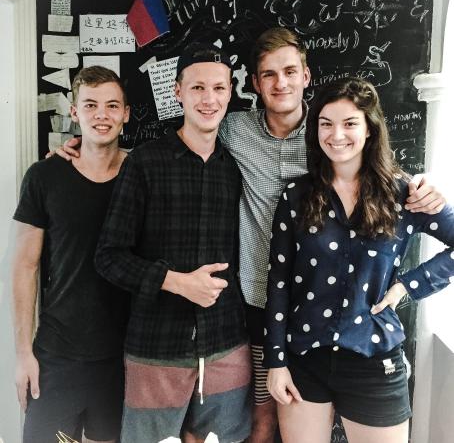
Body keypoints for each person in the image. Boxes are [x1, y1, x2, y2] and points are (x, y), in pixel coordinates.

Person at [56, 27, 445, 443]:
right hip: (254, 306)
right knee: (257, 420)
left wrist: (421, 190)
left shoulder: (326, 136)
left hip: (320, 311)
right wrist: (88, 149)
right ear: (254, 84)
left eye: (290, 72)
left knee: (265, 423)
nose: (281, 83)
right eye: (269, 74)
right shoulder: (231, 131)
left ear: (305, 76)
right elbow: (183, 144)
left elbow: (367, 162)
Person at [264, 77, 454, 443]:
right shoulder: (296, 196)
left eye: (349, 123)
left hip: (374, 357)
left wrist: (407, 286)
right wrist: (276, 361)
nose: (336, 135)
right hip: (305, 357)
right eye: (326, 124)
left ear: (369, 129)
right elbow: (279, 283)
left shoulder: (406, 194)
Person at [94, 43, 252, 443]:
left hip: (227, 345)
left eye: (218, 88)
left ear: (230, 93)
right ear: (177, 92)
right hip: (156, 348)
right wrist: (177, 282)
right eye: (197, 88)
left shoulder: (237, 167)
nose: (209, 99)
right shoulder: (144, 162)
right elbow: (109, 257)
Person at [12, 66, 131, 443]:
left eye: (112, 105)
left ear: (126, 114)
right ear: (74, 112)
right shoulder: (44, 176)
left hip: (121, 358)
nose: (102, 115)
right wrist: (22, 354)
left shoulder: (141, 175)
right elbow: (24, 266)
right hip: (57, 355)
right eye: (90, 105)